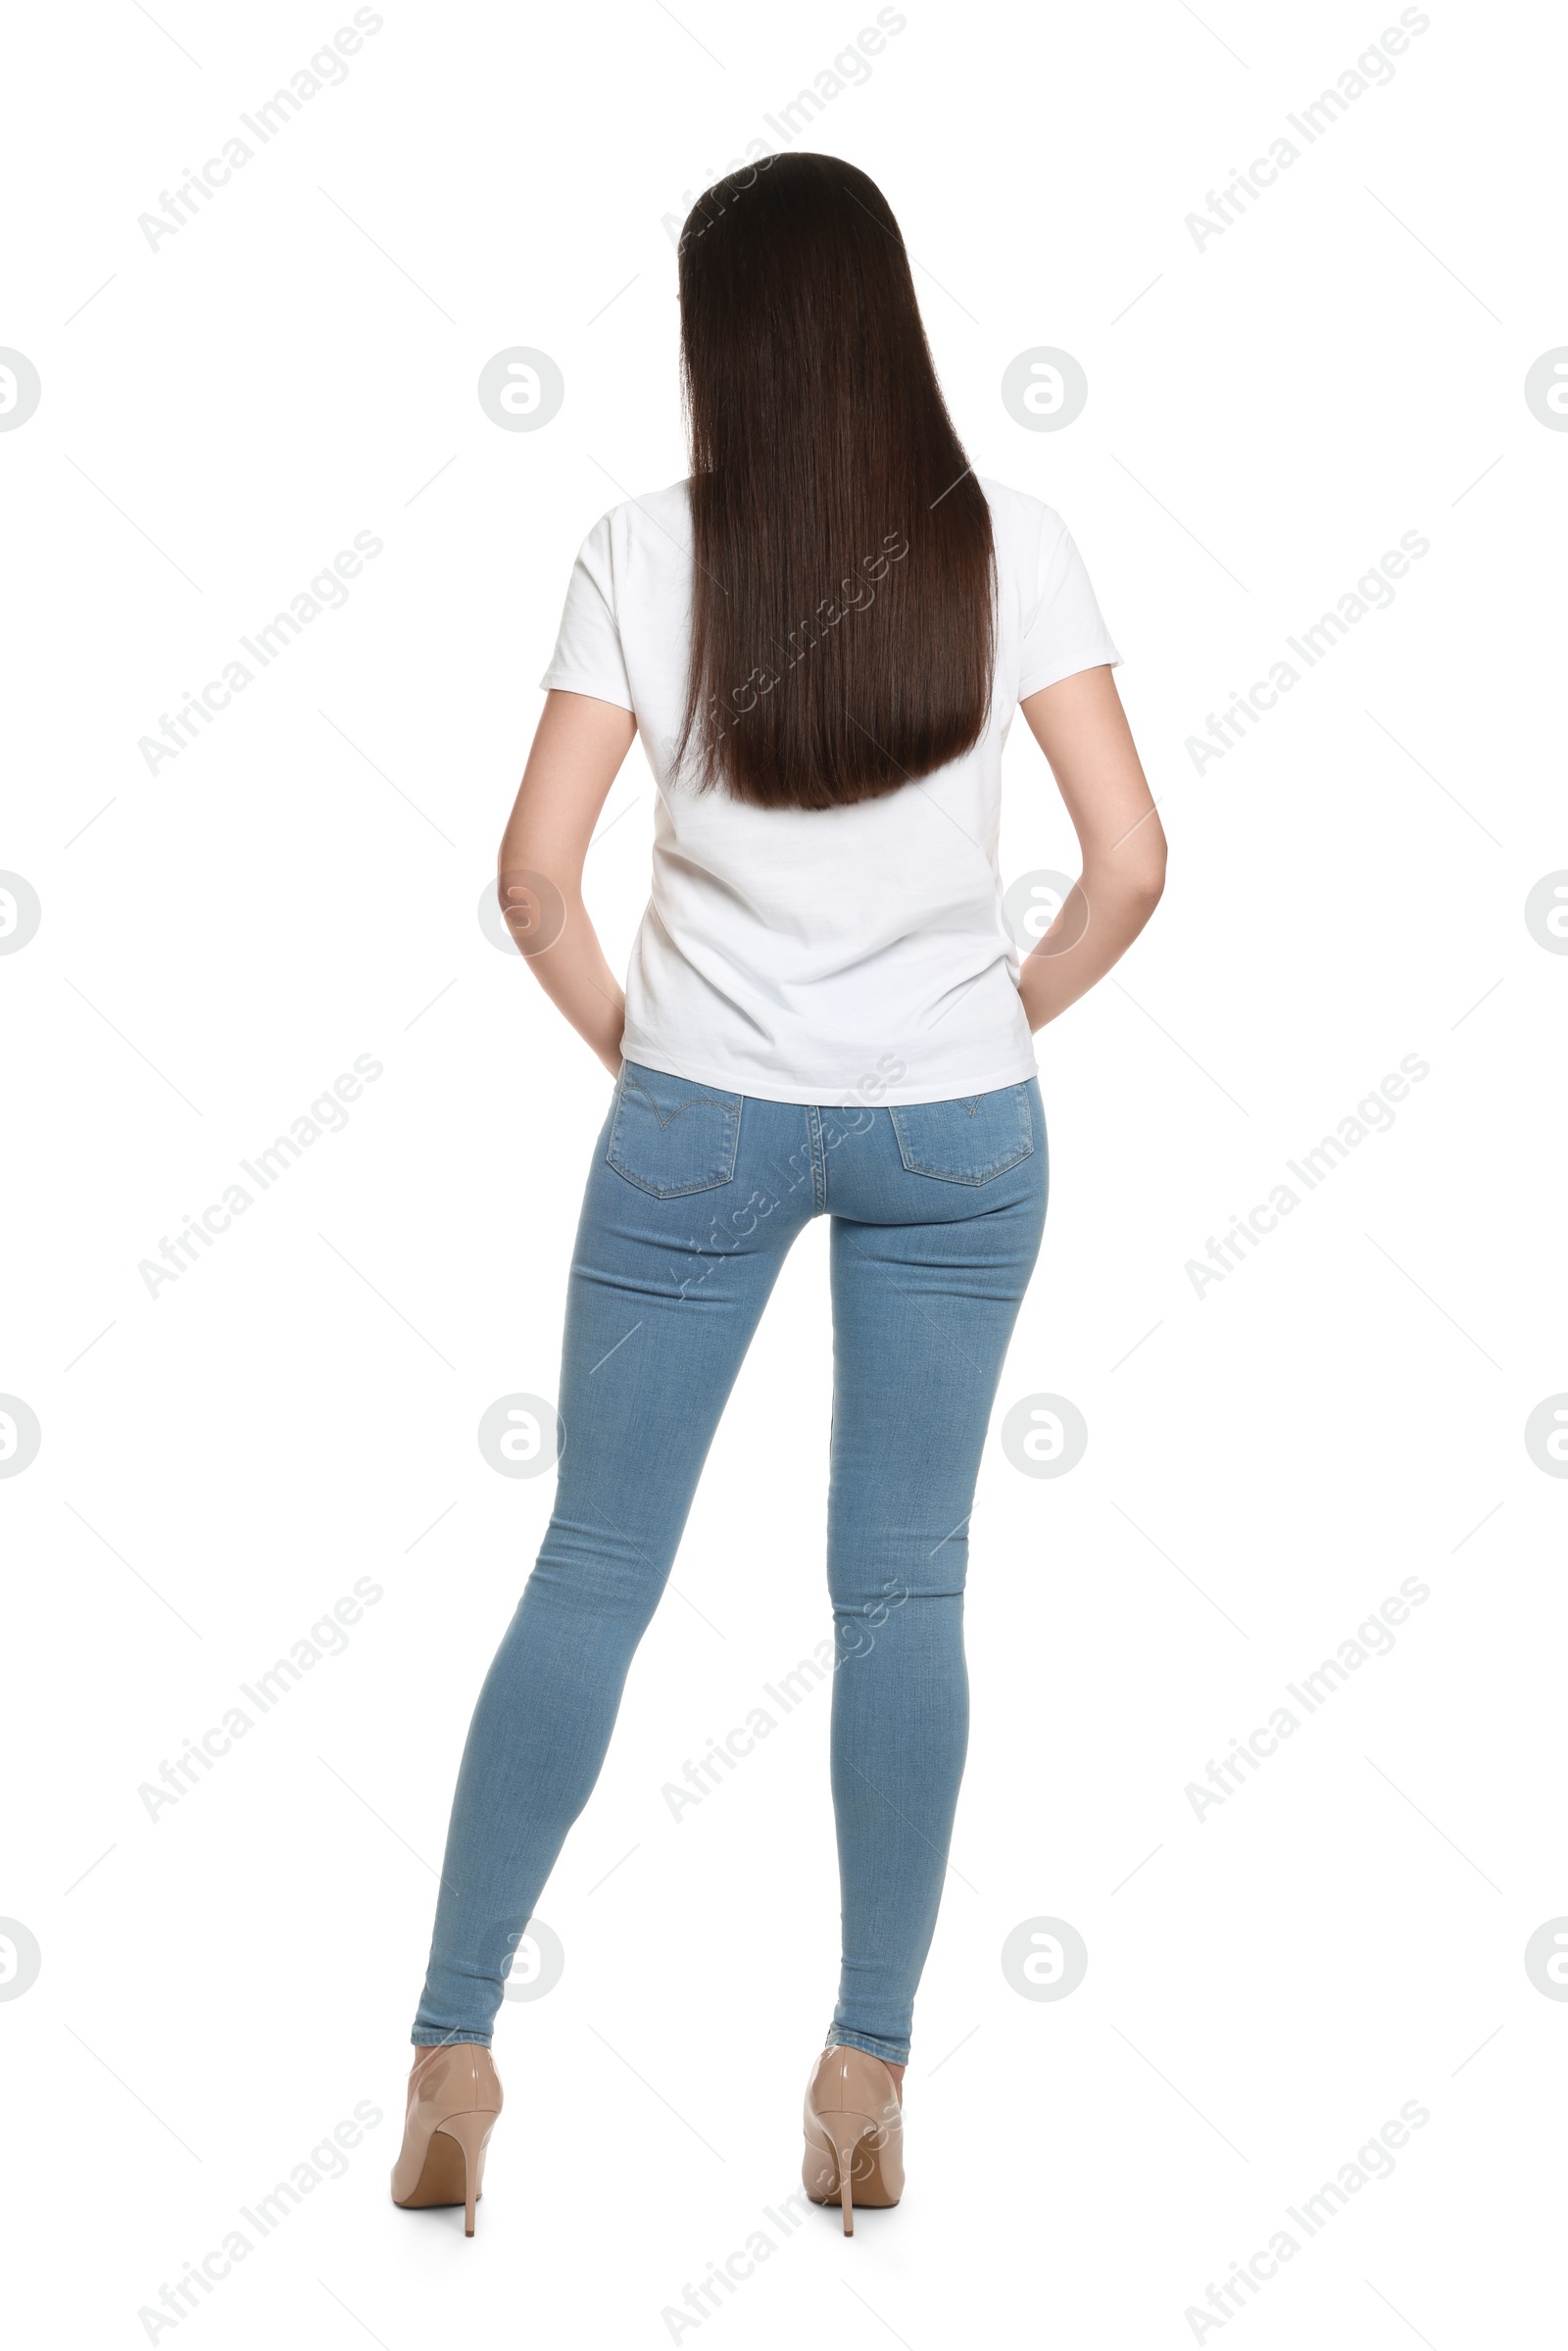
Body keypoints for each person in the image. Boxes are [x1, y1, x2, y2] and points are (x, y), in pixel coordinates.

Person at [392, 151, 1166, 2237]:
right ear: (888, 320)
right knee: (903, 1593)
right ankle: (864, 2078)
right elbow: (1129, 867)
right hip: (957, 1133)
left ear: (713, 340)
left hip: (697, 1123)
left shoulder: (638, 550)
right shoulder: (1015, 543)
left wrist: (637, 1056)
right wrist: (993, 1013)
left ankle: (453, 2055)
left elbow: (534, 879)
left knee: (590, 1570)